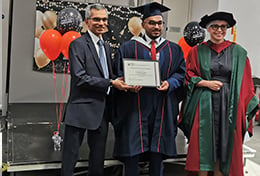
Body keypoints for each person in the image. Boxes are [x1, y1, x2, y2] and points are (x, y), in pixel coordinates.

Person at [178, 11, 259, 176]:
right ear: (208, 29)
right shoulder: (197, 51)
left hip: (229, 105)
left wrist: (245, 107)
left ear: (228, 29)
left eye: (223, 27)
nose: (219, 30)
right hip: (204, 104)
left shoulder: (238, 53)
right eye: (215, 26)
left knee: (224, 147)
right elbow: (188, 77)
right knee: (203, 146)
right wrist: (205, 83)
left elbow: (246, 84)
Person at [112, 2, 186, 176]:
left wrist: (170, 83)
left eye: (160, 23)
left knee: (157, 153)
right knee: (132, 151)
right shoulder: (128, 47)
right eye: (152, 23)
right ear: (143, 24)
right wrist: (128, 86)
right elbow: (119, 74)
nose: (157, 27)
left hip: (162, 106)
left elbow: (181, 74)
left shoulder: (174, 49)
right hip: (135, 106)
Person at [61, 3, 128, 176]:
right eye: (96, 19)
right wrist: (111, 83)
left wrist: (123, 81)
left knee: (98, 159)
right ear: (87, 21)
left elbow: (108, 74)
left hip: (102, 111)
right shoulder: (77, 45)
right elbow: (80, 78)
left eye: (104, 19)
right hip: (80, 109)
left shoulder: (105, 46)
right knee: (70, 157)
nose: (101, 23)